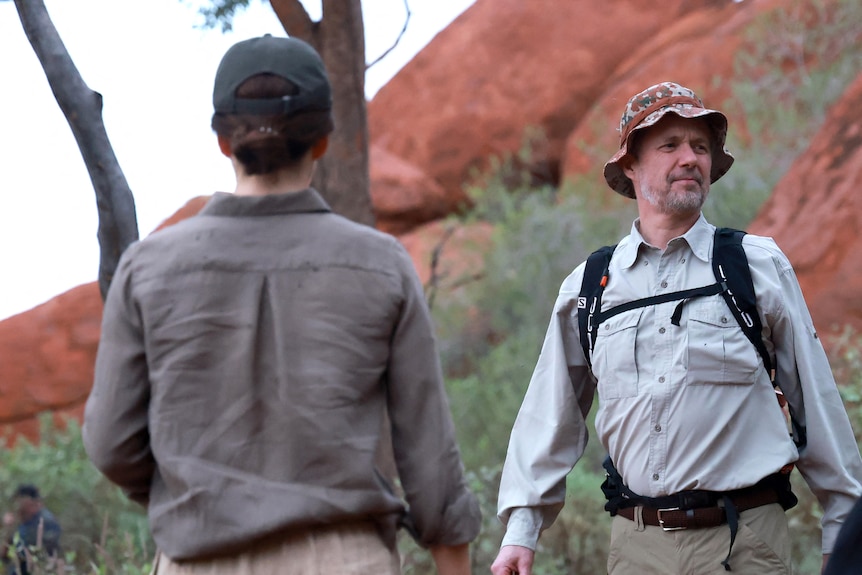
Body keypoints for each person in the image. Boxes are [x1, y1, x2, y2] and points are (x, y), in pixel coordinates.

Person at [83, 34, 480, 575]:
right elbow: (429, 456)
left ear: (223, 140)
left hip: (198, 558)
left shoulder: (148, 268)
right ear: (322, 140)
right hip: (346, 559)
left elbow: (111, 444)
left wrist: (196, 495)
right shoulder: (380, 263)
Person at [490, 81, 862, 575]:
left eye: (701, 147)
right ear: (630, 165)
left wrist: (844, 529)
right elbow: (549, 417)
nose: (690, 158)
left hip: (746, 545)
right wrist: (522, 532)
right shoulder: (590, 286)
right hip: (636, 547)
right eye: (670, 145)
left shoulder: (754, 266)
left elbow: (816, 403)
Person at [2, 484, 62, 575]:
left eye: (19, 501)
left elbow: (33, 554)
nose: (17, 505)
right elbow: (4, 555)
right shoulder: (23, 521)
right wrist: (8, 529)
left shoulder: (45, 521)